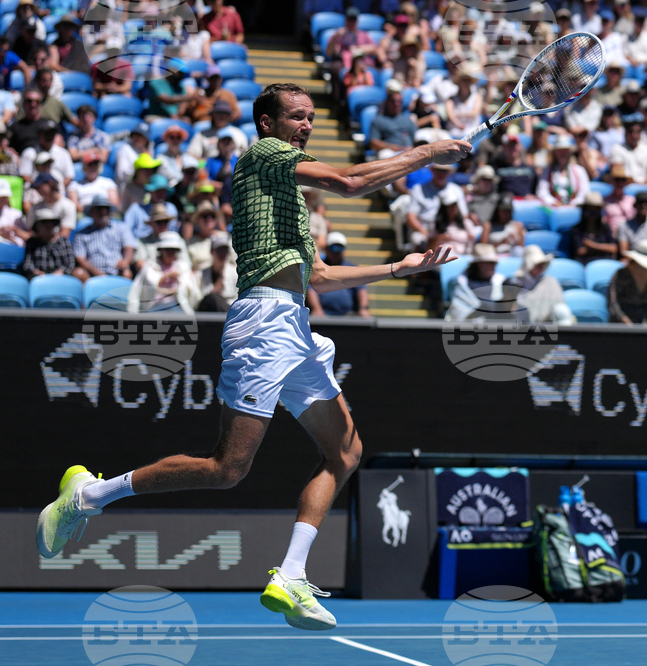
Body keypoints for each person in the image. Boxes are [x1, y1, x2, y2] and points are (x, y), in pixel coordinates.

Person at [37, 83, 470, 632]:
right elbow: (350, 181)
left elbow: (320, 276)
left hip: (295, 325)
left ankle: (291, 575)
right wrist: (427, 153)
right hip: (263, 324)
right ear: (267, 123)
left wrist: (395, 269)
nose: (306, 125)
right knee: (227, 470)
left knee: (345, 451)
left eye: (311, 118)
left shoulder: (287, 200)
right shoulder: (266, 154)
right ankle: (90, 495)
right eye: (296, 117)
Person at [127, 231, 198, 315]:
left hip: (178, 309)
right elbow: (140, 290)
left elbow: (192, 291)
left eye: (173, 250)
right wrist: (166, 276)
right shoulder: (150, 266)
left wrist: (179, 284)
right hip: (154, 308)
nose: (170, 253)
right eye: (167, 250)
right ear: (161, 250)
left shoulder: (183, 267)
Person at [446, 243, 517, 321]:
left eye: (494, 263)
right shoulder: (461, 283)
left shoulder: (503, 282)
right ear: (478, 264)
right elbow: (458, 312)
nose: (493, 266)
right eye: (489, 263)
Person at [70, 196, 135, 281]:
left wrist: (125, 261)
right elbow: (80, 258)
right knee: (78, 273)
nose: (103, 212)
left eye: (106, 209)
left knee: (127, 274)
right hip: (92, 275)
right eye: (99, 209)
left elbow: (129, 247)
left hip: (117, 271)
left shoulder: (122, 228)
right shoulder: (82, 234)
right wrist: (96, 272)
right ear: (92, 212)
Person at [306, 232, 370, 318]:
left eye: (340, 248)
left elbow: (361, 290)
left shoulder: (352, 268)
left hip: (348, 315)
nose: (336, 252)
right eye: (334, 248)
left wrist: (363, 308)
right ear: (326, 249)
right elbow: (310, 289)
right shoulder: (317, 268)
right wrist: (316, 308)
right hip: (323, 315)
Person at [405, 162, 466, 251]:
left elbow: (463, 215)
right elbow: (411, 216)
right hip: (425, 228)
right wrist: (423, 231)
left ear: (449, 172)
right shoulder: (419, 189)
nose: (441, 174)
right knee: (418, 240)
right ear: (432, 171)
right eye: (438, 170)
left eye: (444, 171)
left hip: (449, 228)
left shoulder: (456, 190)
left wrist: (450, 232)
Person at [509, 244, 575, 325]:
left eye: (542, 264)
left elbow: (558, 308)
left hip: (547, 327)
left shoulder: (550, 282)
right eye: (537, 264)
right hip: (522, 327)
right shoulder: (514, 284)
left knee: (561, 310)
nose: (540, 267)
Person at [608, 238, 647, 325]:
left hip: (644, 328)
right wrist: (627, 323)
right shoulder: (620, 275)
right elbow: (612, 303)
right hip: (620, 326)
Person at [537, 134, 590, 208]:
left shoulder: (580, 170)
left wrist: (574, 204)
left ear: (570, 152)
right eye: (560, 151)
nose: (563, 153)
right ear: (555, 153)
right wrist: (553, 202)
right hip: (553, 209)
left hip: (574, 208)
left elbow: (584, 192)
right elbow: (542, 192)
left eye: (565, 150)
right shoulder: (547, 171)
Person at [369, 80, 416, 159]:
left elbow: (415, 138)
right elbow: (373, 143)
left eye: (399, 101)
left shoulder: (407, 120)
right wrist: (396, 148)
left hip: (409, 152)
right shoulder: (379, 120)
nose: (396, 104)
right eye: (393, 101)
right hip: (390, 153)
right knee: (385, 154)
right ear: (387, 102)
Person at [195, 233, 239, 311]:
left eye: (225, 250)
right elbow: (198, 299)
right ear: (212, 252)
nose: (222, 254)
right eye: (219, 250)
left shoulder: (235, 273)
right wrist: (214, 291)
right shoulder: (201, 274)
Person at [21, 211, 74, 276]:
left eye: (51, 222)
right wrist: (35, 272)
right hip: (39, 278)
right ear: (37, 226)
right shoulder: (32, 242)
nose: (47, 225)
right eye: (43, 222)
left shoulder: (63, 241)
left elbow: (70, 262)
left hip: (61, 277)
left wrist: (61, 272)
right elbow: (27, 263)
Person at [570, 191, 617, 264]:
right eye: (590, 210)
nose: (592, 214)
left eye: (595, 210)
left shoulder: (605, 228)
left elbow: (613, 248)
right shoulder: (577, 229)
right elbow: (580, 251)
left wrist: (593, 245)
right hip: (585, 263)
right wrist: (604, 248)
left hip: (605, 263)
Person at [0, 178, 27, 245]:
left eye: (4, 197)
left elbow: (21, 243)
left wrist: (10, 238)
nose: (2, 199)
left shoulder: (17, 214)